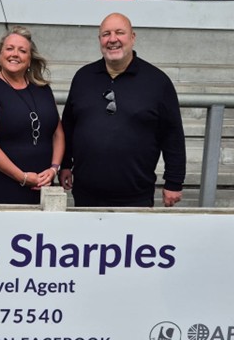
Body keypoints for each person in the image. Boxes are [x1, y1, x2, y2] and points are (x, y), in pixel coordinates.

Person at [59, 13, 186, 207]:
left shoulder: (157, 82)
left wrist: (174, 182)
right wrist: (65, 164)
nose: (112, 39)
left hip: (136, 197)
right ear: (99, 40)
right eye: (106, 34)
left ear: (132, 37)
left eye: (120, 33)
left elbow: (172, 135)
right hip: (85, 195)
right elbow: (69, 125)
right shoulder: (83, 77)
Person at [0, 26, 64, 204]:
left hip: (42, 187)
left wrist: (54, 169)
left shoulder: (43, 90)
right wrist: (23, 177)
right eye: (9, 48)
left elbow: (57, 133)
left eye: (22, 51)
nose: (15, 54)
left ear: (29, 60)